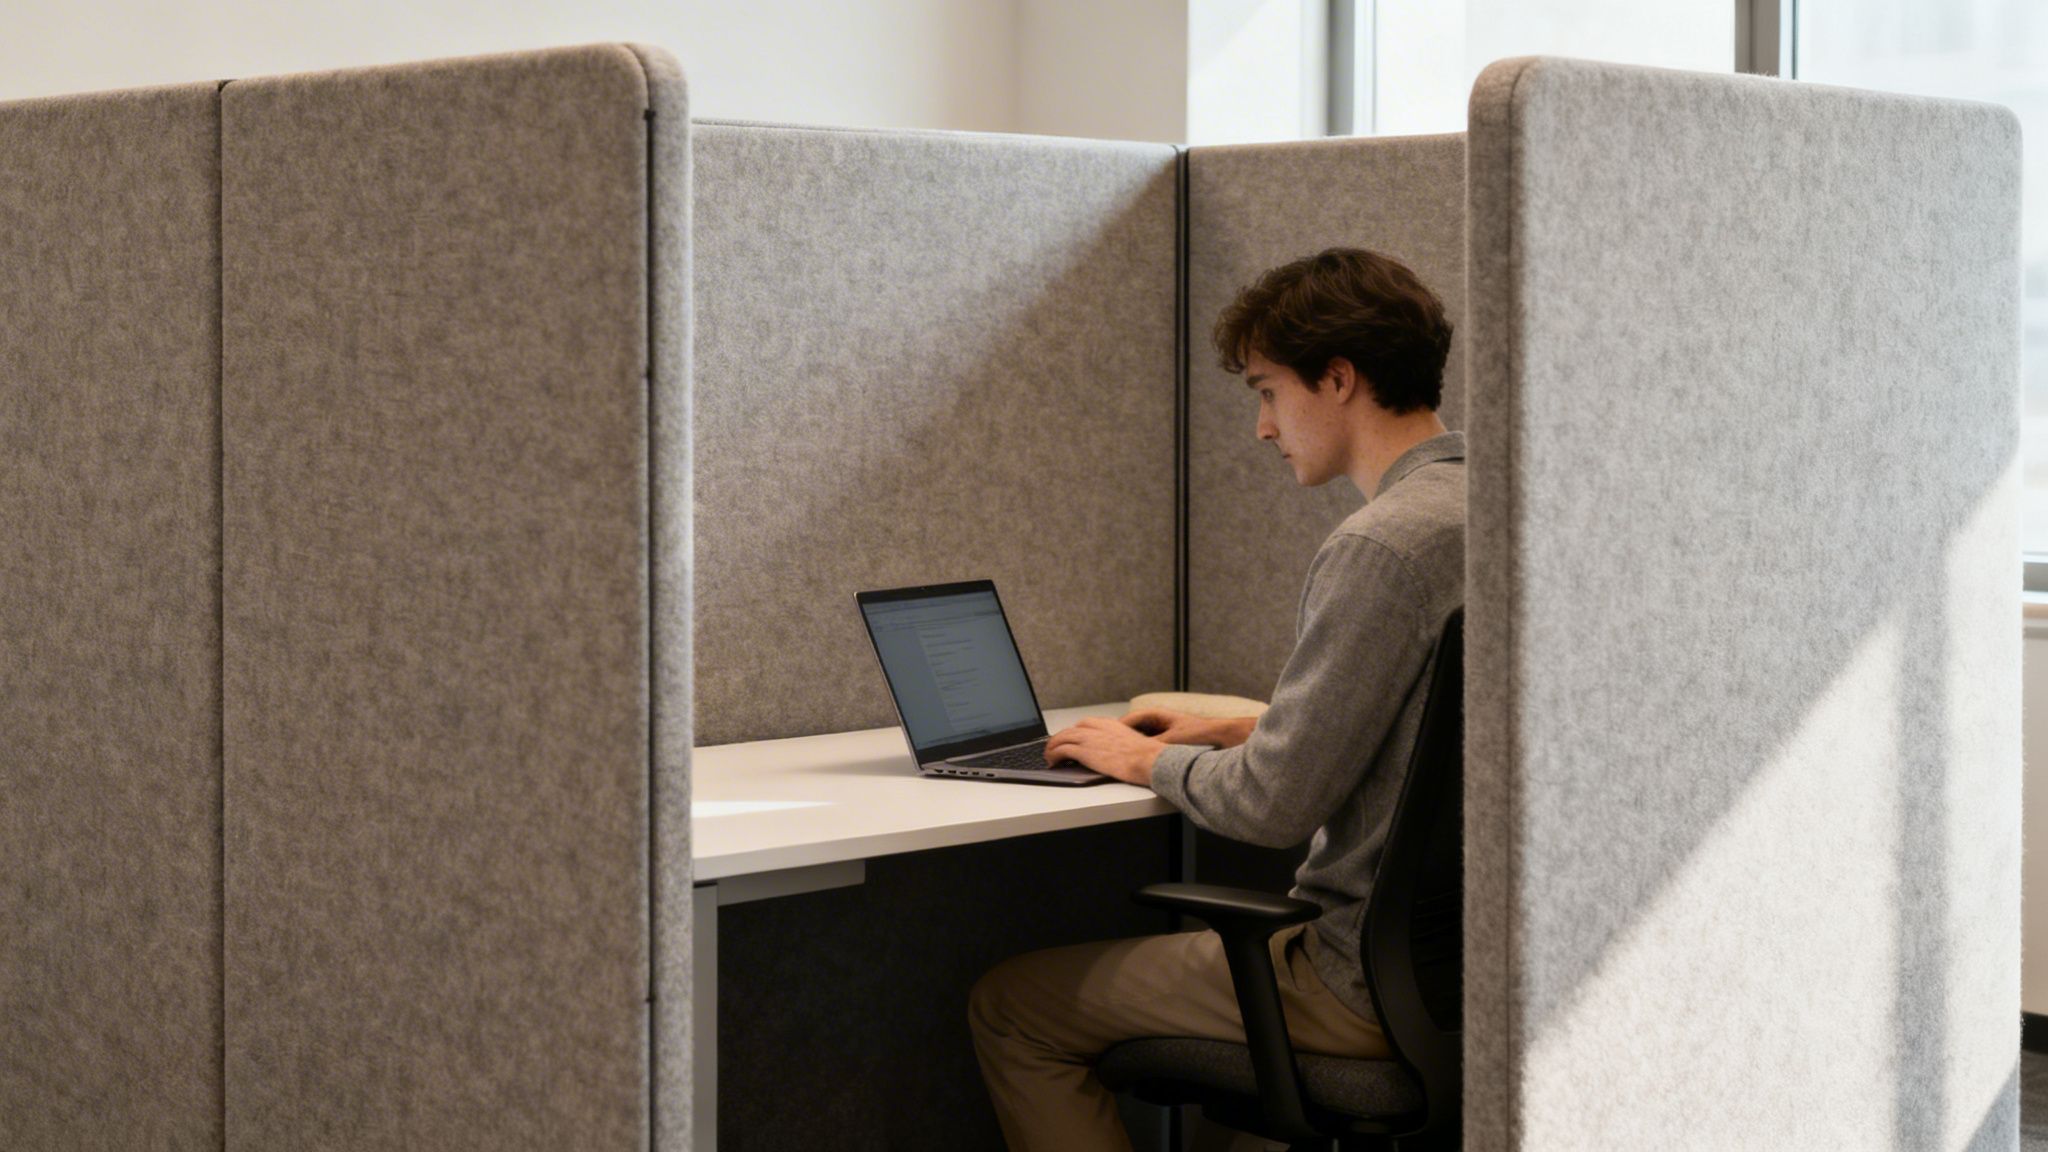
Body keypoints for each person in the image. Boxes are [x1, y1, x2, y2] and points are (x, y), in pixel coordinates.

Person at [967, 247, 1465, 1152]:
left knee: (1011, 1008)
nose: (1263, 428)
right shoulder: (1493, 512)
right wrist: (1242, 727)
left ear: (1339, 379)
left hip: (1351, 980)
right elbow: (1428, 726)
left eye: (1269, 391)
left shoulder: (1382, 548)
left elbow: (1272, 806)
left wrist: (1145, 758)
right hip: (1460, 978)